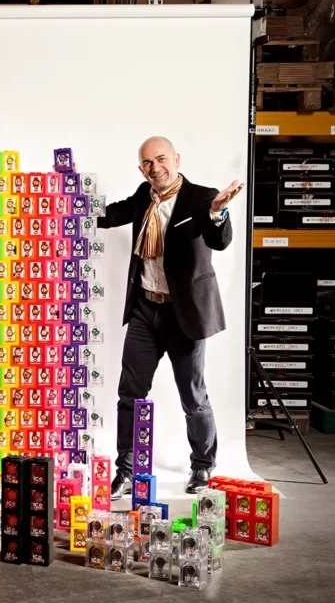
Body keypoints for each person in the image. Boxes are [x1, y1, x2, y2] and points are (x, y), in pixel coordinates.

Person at [96, 137, 244, 496]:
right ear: (141, 169)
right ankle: (126, 470)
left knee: (193, 396)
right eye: (147, 163)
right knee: (130, 394)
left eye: (161, 158)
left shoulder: (202, 198)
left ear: (176, 159)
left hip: (184, 314)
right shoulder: (143, 196)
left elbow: (219, 240)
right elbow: (109, 216)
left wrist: (217, 211)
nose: (155, 167)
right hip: (145, 310)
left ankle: (202, 466)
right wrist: (66, 201)